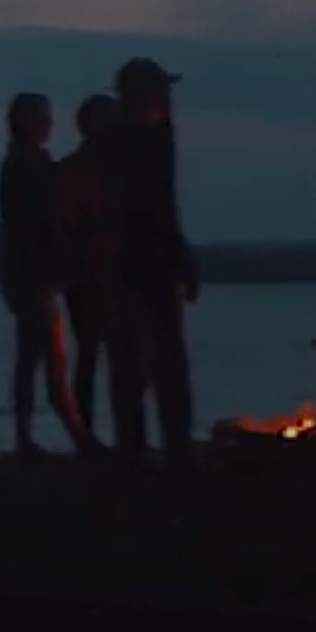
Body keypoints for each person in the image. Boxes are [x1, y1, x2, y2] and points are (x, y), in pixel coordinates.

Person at [102, 58, 200, 470]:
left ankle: (138, 445)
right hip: (141, 260)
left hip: (131, 260)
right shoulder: (145, 141)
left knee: (135, 358)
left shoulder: (127, 139)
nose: (169, 99)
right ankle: (169, 447)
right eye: (163, 91)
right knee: (160, 359)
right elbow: (159, 205)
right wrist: (179, 257)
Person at [0, 90, 91, 458]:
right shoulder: (26, 166)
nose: (50, 124)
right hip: (33, 277)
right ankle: (73, 436)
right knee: (48, 357)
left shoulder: (26, 163)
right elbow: (37, 223)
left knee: (37, 357)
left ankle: (41, 436)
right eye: (43, 117)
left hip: (30, 276)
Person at [57, 94, 127, 440]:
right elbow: (71, 224)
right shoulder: (79, 171)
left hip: (105, 274)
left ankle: (107, 434)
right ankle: (90, 434)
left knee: (108, 357)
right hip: (91, 276)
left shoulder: (115, 169)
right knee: (94, 355)